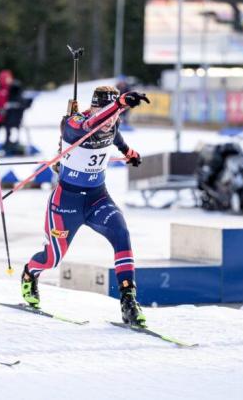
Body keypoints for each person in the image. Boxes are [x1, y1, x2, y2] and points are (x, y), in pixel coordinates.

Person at [20, 86, 150, 326]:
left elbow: (115, 136)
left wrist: (129, 152)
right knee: (53, 257)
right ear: (97, 108)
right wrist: (119, 104)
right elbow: (93, 125)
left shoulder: (112, 122)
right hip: (66, 202)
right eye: (109, 114)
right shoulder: (75, 124)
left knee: (121, 234)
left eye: (116, 117)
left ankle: (128, 301)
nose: (113, 121)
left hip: (97, 198)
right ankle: (30, 272)